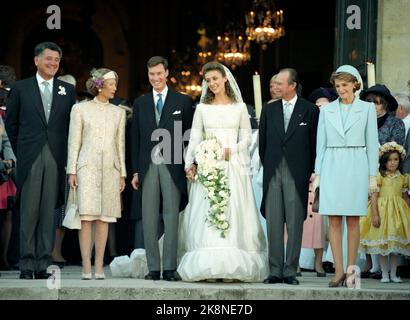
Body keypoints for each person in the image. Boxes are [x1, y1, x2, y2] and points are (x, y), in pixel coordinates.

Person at [178, 61, 268, 282]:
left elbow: (247, 138)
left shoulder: (239, 107)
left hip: (233, 165)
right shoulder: (201, 109)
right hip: (208, 165)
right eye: (208, 81)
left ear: (225, 79)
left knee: (234, 210)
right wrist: (189, 163)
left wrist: (232, 150)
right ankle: (207, 265)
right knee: (207, 212)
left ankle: (233, 266)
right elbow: (196, 137)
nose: (212, 83)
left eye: (215, 79)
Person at [6, 42, 76, 280]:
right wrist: (20, 153)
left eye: (56, 60)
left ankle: (43, 262)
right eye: (48, 59)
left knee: (49, 210)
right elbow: (11, 125)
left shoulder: (67, 90)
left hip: (56, 157)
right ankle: (26, 263)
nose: (53, 63)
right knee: (29, 210)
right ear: (36, 60)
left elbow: (70, 128)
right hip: (30, 156)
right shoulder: (21, 88)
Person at [314, 65, 379, 287]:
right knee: (333, 220)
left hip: (356, 165)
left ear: (355, 84)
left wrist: (372, 177)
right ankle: (338, 271)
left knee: (353, 220)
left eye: (345, 84)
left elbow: (372, 144)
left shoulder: (367, 109)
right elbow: (320, 146)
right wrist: (319, 175)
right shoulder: (326, 110)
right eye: (338, 85)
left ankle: (352, 272)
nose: (341, 89)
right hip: (332, 165)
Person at [131, 56, 193, 281]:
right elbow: (135, 138)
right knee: (148, 218)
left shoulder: (183, 102)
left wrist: (189, 164)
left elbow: (189, 138)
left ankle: (169, 267)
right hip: (147, 167)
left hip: (173, 165)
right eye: (151, 74)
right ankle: (152, 268)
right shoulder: (140, 103)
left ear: (167, 73)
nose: (155, 78)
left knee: (171, 217)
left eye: (159, 73)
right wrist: (136, 171)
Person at [259, 68, 319, 285]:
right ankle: (274, 270)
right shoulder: (269, 109)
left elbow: (314, 145)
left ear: (292, 85)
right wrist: (270, 166)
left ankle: (290, 270)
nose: (276, 86)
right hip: (273, 171)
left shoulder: (310, 110)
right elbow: (262, 144)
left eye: (280, 83)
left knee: (295, 223)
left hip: (298, 172)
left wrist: (308, 171)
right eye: (275, 83)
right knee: (273, 221)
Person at [67, 68, 126, 280]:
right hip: (86, 169)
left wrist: (122, 174)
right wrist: (71, 170)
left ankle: (99, 266)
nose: (115, 88)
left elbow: (120, 145)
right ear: (100, 85)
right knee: (86, 219)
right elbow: (74, 142)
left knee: (104, 219)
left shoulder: (118, 113)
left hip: (111, 171)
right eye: (112, 84)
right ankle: (86, 266)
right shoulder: (80, 109)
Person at [360, 84, 405, 278]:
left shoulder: (396, 124)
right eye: (369, 102)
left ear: (384, 104)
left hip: (385, 176)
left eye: (376, 102)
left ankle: (385, 268)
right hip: (362, 172)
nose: (373, 106)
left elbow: (397, 150)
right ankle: (370, 264)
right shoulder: (362, 121)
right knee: (365, 218)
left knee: (384, 220)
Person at [360, 142, 410, 283]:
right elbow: (374, 196)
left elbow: (405, 197)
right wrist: (375, 214)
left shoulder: (403, 178)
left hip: (397, 214)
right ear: (384, 161)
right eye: (389, 160)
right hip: (382, 212)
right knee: (383, 246)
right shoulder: (379, 177)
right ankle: (384, 274)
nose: (393, 163)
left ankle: (393, 274)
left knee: (393, 247)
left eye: (396, 159)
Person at [52, 74, 77, 268]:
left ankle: (56, 251)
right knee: (54, 211)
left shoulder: (76, 110)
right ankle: (50, 251)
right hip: (56, 163)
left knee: (64, 212)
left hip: (70, 166)